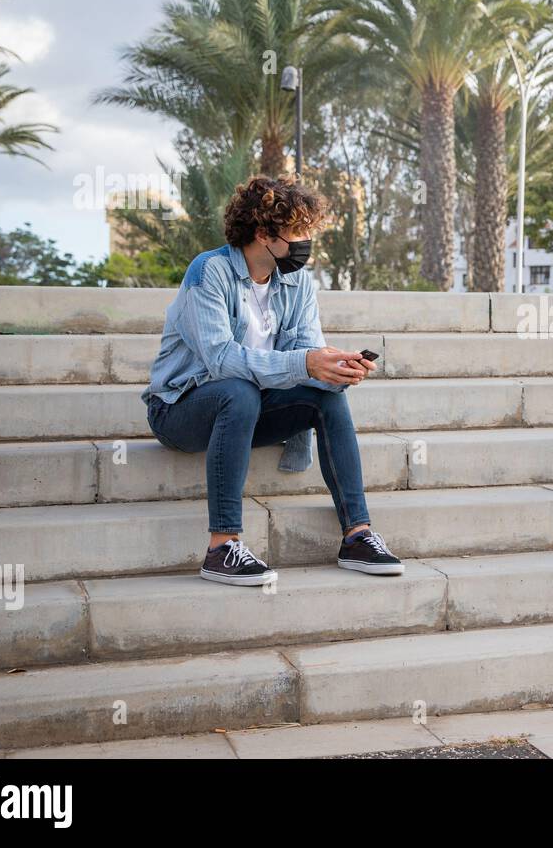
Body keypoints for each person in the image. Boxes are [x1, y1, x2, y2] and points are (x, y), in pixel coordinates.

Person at [140, 175, 402, 586]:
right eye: (297, 232)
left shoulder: (297, 282)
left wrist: (335, 371)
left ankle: (357, 535)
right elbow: (221, 360)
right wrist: (308, 364)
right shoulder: (209, 272)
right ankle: (221, 547)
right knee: (238, 391)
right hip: (180, 409)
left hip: (250, 408)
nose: (305, 243)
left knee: (327, 401)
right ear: (263, 234)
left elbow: (306, 354)